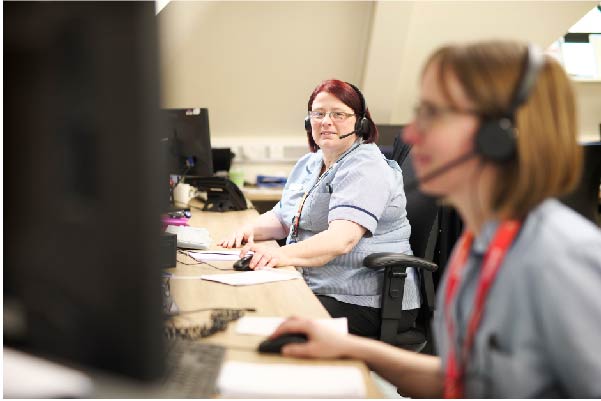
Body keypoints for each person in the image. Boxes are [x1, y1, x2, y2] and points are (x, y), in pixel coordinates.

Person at [268, 41, 601, 398]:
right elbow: (466, 380)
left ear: (498, 137)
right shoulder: (478, 247)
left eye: (435, 114)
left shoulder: (560, 257)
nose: (412, 134)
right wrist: (351, 348)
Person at [218, 79, 419, 337]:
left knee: (269, 322)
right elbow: (283, 218)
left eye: (338, 114)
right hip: (320, 286)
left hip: (365, 299)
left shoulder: (366, 167)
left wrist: (280, 256)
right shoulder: (310, 163)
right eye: (318, 114)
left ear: (361, 123)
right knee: (249, 303)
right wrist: (247, 231)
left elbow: (341, 240)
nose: (326, 121)